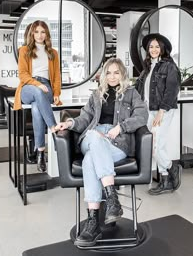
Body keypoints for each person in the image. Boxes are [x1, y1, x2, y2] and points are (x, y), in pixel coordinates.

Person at [55, 57, 148, 247]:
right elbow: (83, 119)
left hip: (117, 142)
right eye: (108, 72)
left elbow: (142, 116)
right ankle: (112, 197)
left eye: (116, 72)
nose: (112, 76)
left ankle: (93, 222)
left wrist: (121, 127)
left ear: (122, 74)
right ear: (103, 75)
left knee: (90, 160)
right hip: (92, 137)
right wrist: (70, 123)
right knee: (94, 137)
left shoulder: (131, 93)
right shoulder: (96, 95)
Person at [135, 33, 181, 195]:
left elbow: (172, 90)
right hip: (148, 110)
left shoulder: (169, 66)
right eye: (151, 47)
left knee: (156, 145)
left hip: (162, 110)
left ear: (162, 49)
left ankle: (171, 167)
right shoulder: (148, 67)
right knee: (153, 145)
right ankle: (165, 180)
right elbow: (140, 89)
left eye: (157, 46)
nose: (153, 49)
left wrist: (161, 112)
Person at [14, 20, 62, 173]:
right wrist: (37, 84)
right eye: (36, 32)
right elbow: (22, 74)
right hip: (28, 87)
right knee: (37, 93)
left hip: (46, 86)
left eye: (43, 32)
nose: (40, 35)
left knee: (36, 109)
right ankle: (54, 129)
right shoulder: (24, 50)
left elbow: (56, 77)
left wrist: (56, 93)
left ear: (47, 34)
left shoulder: (53, 53)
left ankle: (40, 152)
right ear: (32, 33)